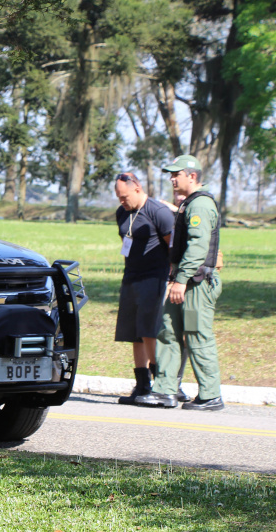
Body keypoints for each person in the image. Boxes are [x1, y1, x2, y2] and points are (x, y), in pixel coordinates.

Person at [136, 155, 224, 411]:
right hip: (184, 281)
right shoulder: (188, 204)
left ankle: (210, 395)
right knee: (168, 332)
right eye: (171, 175)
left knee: (197, 335)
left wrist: (181, 280)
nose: (172, 179)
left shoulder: (200, 205)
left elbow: (198, 247)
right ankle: (165, 390)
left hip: (197, 282)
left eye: (177, 174)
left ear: (192, 176)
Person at [112, 172, 175, 405]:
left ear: (137, 188)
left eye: (125, 196)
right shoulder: (122, 212)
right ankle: (141, 385)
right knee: (134, 333)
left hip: (154, 276)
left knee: (149, 330)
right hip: (131, 276)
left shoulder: (158, 212)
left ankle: (160, 384)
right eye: (118, 197)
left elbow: (173, 247)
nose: (122, 201)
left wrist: (171, 277)